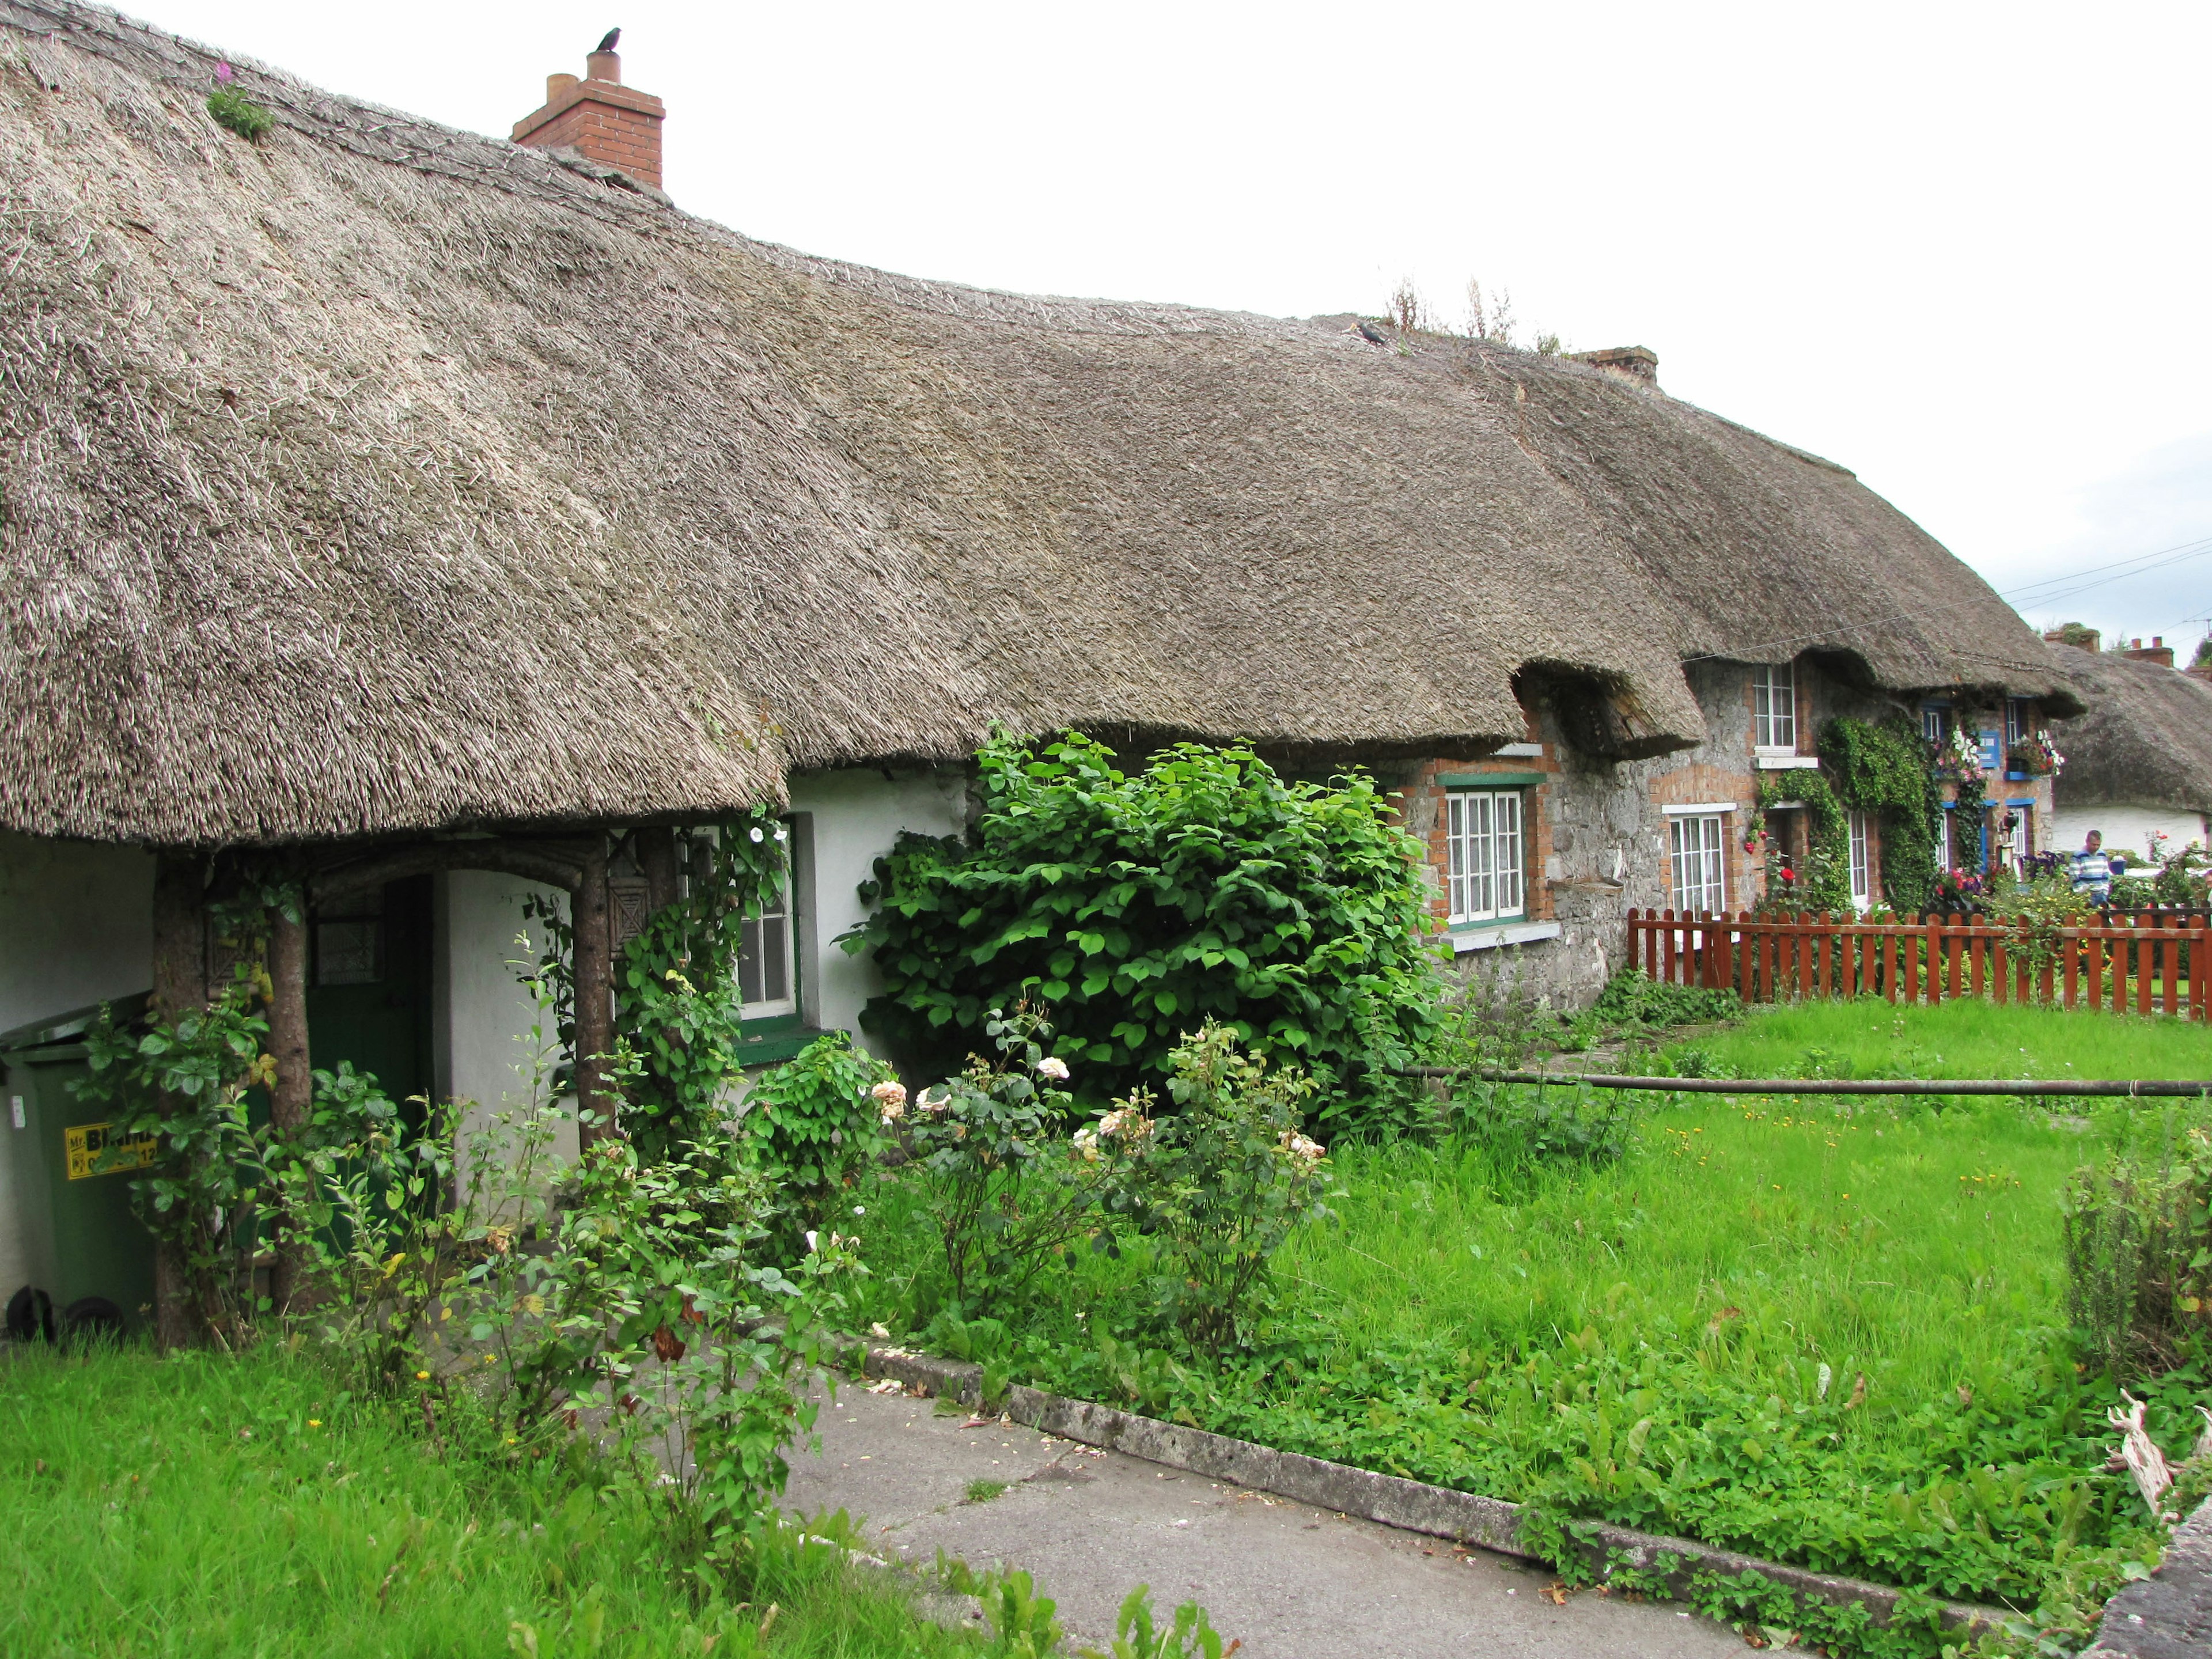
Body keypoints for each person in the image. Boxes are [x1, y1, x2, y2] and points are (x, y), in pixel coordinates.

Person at [2071, 830, 2112, 903]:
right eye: (2094, 845)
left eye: (2098, 845)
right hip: (2086, 895)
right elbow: (2074, 876)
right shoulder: (2078, 855)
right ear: (2087, 842)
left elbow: (2106, 874)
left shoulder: (2102, 854)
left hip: (2101, 894)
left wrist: (2105, 891)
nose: (2096, 847)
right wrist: (2081, 892)